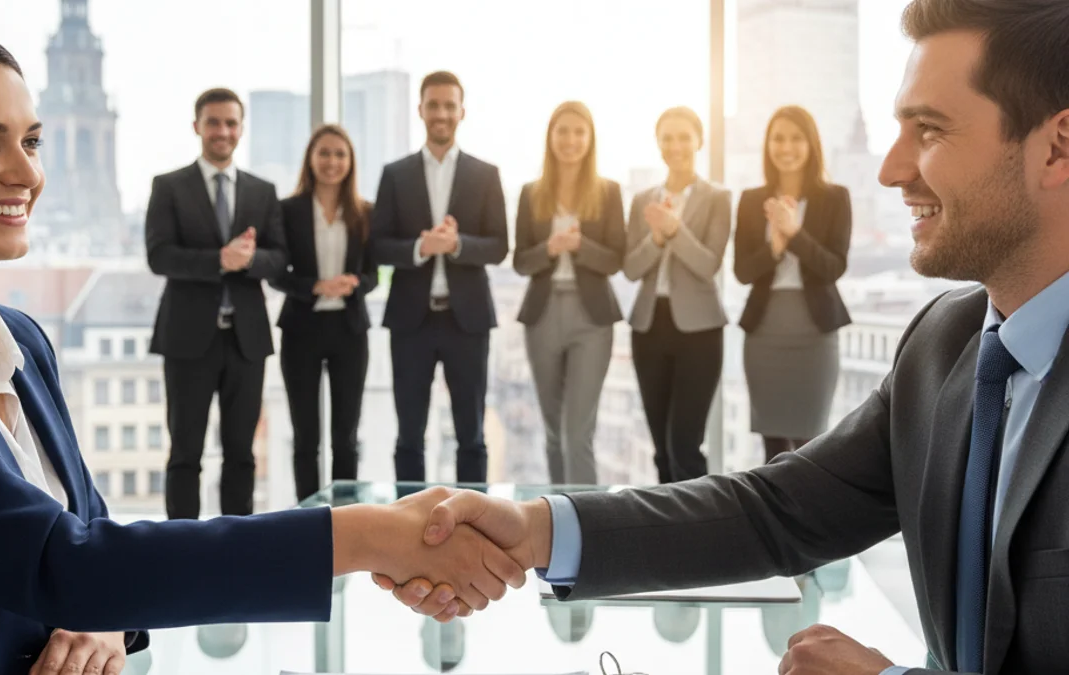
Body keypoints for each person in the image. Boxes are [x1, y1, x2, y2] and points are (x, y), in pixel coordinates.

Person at [378, 0, 1069, 672]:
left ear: (1056, 147)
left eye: (930, 130)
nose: (890, 168)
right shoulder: (942, 347)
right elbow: (774, 509)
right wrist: (534, 529)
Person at [0, 21, 523, 675]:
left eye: (32, 141)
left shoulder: (22, 341)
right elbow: (63, 560)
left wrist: (109, 617)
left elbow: (87, 537)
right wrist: (372, 534)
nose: (27, 173)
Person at [145, 87, 285, 520]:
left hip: (246, 338)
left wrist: (248, 260)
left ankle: (235, 544)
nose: (222, 131)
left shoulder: (262, 191)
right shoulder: (169, 186)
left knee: (241, 453)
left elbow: (280, 260)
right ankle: (181, 547)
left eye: (230, 123)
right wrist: (218, 260)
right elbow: (159, 255)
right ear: (197, 127)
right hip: (188, 338)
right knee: (185, 452)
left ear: (240, 128)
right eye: (213, 123)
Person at [372, 71, 508, 483]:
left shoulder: (485, 174)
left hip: (466, 320)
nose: (441, 114)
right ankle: (408, 531)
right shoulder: (395, 174)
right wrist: (420, 248)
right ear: (420, 110)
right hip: (411, 321)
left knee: (471, 436)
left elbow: (500, 245)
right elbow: (378, 246)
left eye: (450, 106)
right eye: (433, 105)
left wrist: (456, 244)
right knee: (409, 437)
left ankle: (474, 528)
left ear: (462, 112)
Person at [513, 101, 624, 485]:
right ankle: (554, 520)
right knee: (553, 433)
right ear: (550, 136)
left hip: (591, 319)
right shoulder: (531, 193)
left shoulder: (608, 192)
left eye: (579, 132)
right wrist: (550, 249)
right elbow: (521, 262)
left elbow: (615, 259)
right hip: (542, 316)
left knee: (578, 434)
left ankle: (589, 522)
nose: (571, 140)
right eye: (563, 131)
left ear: (590, 138)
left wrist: (579, 247)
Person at [734, 105, 852, 464]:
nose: (786, 147)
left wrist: (795, 234)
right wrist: (775, 248)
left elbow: (833, 266)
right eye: (778, 138)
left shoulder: (835, 198)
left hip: (814, 332)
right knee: (773, 448)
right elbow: (742, 271)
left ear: (811, 144)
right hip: (765, 332)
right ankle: (777, 520)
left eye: (796, 138)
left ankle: (809, 519)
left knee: (810, 442)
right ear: (768, 145)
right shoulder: (752, 200)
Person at [624, 106, 731, 483]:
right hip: (649, 327)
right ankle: (666, 534)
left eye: (684, 137)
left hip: (700, 331)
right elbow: (631, 268)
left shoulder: (718, 197)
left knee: (685, 445)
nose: (676, 146)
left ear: (699, 141)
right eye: (667, 138)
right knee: (661, 449)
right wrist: (655, 238)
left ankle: (699, 532)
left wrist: (674, 229)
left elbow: (708, 264)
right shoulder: (642, 201)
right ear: (658, 144)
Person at [273, 125, 376, 502]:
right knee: (305, 438)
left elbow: (374, 273)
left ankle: (345, 516)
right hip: (301, 328)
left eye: (340, 154)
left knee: (346, 437)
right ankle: (308, 518)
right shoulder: (288, 210)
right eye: (325, 153)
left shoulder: (365, 212)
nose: (332, 162)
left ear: (350, 162)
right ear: (311, 159)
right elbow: (276, 273)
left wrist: (355, 284)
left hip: (349, 331)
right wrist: (315, 286)